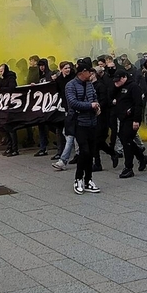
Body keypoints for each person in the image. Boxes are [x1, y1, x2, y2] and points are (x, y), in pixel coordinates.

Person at [65, 58, 101, 194]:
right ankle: (78, 179)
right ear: (83, 72)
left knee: (91, 152)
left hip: (92, 122)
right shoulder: (71, 85)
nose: (91, 75)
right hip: (79, 123)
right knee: (84, 151)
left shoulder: (90, 84)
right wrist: (89, 105)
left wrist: (97, 105)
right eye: (89, 72)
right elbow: (73, 103)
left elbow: (94, 97)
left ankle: (89, 180)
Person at [111, 69, 145, 179]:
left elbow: (138, 104)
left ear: (124, 77)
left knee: (126, 141)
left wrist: (136, 120)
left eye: (118, 80)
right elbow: (111, 95)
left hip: (131, 118)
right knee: (126, 139)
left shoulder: (133, 87)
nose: (116, 83)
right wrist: (115, 87)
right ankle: (141, 157)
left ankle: (128, 167)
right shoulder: (119, 87)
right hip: (123, 117)